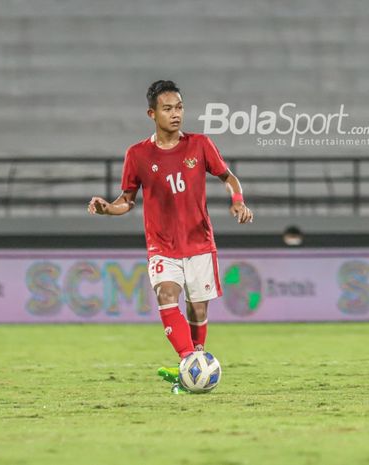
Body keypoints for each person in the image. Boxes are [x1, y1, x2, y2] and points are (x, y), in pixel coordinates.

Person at [88, 80, 253, 391]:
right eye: (167, 109)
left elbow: (227, 177)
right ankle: (190, 362)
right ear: (152, 113)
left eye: (179, 107)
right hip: (162, 245)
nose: (175, 114)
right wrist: (108, 209)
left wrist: (238, 201)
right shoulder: (137, 154)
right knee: (166, 295)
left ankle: (194, 362)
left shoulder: (200, 145)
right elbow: (127, 199)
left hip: (200, 243)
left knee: (198, 308)